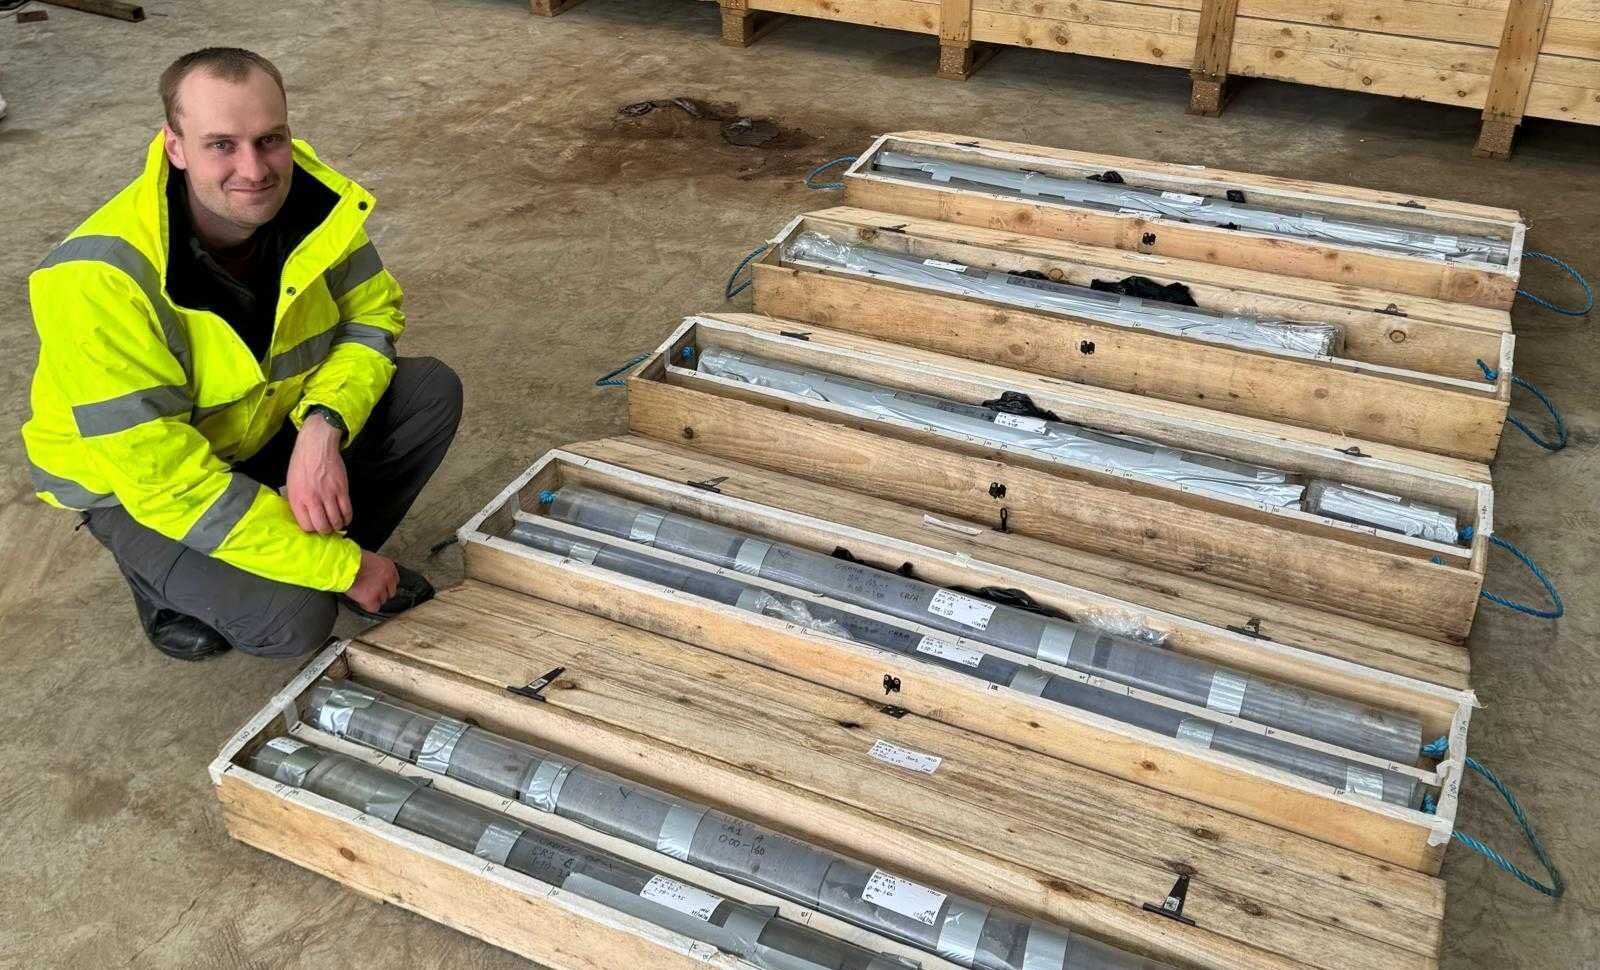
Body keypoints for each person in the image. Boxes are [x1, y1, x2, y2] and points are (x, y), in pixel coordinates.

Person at [21, 47, 462, 662]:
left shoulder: (317, 208)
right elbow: (169, 484)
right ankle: (164, 584)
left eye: (270, 139)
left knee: (428, 393)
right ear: (175, 147)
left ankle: (302, 552)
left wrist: (322, 426)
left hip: (259, 430)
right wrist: (339, 569)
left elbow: (372, 318)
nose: (254, 169)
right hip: (138, 491)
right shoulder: (97, 280)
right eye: (221, 144)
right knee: (293, 621)